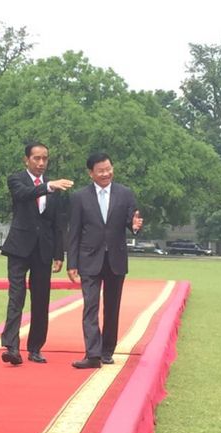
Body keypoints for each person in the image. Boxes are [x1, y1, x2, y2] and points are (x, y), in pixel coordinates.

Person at [0, 142, 73, 365]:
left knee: (41, 299)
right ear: (26, 160)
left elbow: (58, 223)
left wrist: (59, 253)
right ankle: (12, 346)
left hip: (44, 249)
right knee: (17, 296)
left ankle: (35, 347)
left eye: (45, 159)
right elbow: (24, 195)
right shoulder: (17, 180)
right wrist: (49, 186)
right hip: (19, 247)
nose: (41, 163)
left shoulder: (55, 189)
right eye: (37, 158)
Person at [67, 153, 143, 369]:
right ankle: (92, 353)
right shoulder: (79, 197)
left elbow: (132, 221)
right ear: (91, 173)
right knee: (90, 306)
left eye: (108, 169)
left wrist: (135, 226)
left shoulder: (125, 194)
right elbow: (73, 233)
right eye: (100, 170)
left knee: (112, 307)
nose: (105, 173)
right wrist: (72, 263)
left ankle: (107, 351)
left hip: (116, 259)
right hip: (89, 259)